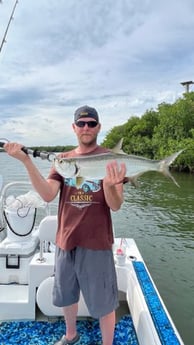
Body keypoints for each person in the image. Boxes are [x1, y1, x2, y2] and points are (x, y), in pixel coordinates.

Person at [4, 105, 126, 345]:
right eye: (81, 123)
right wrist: (26, 162)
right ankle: (71, 335)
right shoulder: (63, 160)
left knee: (103, 300)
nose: (86, 127)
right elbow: (48, 194)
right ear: (74, 128)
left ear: (99, 127)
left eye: (91, 123)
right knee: (67, 294)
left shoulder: (112, 159)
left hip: (97, 241)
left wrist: (110, 185)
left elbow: (115, 205)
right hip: (65, 239)